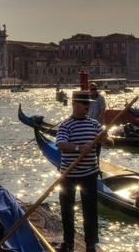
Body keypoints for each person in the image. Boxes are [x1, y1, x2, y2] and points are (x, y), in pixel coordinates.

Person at [55, 90, 114, 252]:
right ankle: (68, 243)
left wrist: (104, 139)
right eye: (84, 104)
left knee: (90, 210)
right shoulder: (65, 125)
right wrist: (79, 148)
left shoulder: (94, 124)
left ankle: (90, 244)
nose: (88, 107)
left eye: (89, 104)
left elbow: (111, 143)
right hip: (69, 175)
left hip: (90, 173)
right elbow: (61, 145)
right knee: (67, 210)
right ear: (74, 104)